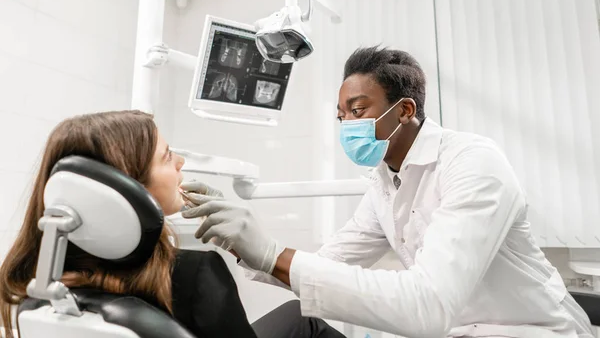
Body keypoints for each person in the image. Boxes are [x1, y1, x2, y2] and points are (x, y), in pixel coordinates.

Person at [181, 46, 595, 338]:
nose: (347, 125)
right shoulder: (383, 184)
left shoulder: (472, 162)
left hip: (529, 332)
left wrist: (272, 253)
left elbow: (428, 304)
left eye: (358, 111)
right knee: (297, 321)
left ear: (405, 110)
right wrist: (240, 243)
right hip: (453, 333)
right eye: (341, 116)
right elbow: (323, 267)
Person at [0, 110, 257, 338]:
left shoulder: (42, 289)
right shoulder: (196, 274)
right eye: (167, 157)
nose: (180, 161)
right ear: (128, 187)